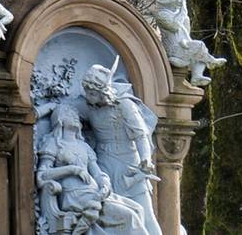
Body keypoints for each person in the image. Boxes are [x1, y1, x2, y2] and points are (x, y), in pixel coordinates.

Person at [37, 104, 150, 234]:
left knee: (138, 209)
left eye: (75, 115)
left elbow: (96, 173)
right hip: (74, 196)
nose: (75, 117)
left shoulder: (84, 146)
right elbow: (42, 176)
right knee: (129, 215)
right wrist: (73, 169)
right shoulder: (54, 143)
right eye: (70, 114)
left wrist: (104, 182)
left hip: (94, 193)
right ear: (60, 119)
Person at [76, 65, 161, 235]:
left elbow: (140, 134)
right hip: (104, 164)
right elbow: (66, 113)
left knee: (146, 214)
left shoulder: (124, 104)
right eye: (86, 91)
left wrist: (146, 158)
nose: (88, 96)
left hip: (129, 165)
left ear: (103, 91)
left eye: (92, 93)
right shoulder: (86, 106)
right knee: (113, 216)